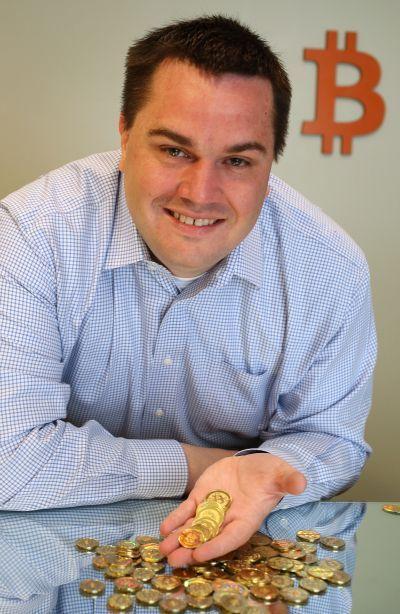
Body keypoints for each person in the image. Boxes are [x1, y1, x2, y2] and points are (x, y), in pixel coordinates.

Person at [0, 15, 376, 567]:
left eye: (238, 161)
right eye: (175, 151)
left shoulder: (331, 270)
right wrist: (212, 466)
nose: (200, 193)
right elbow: (7, 461)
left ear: (271, 164)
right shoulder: (29, 236)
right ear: (125, 136)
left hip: (242, 569)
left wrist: (266, 471)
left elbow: (333, 441)